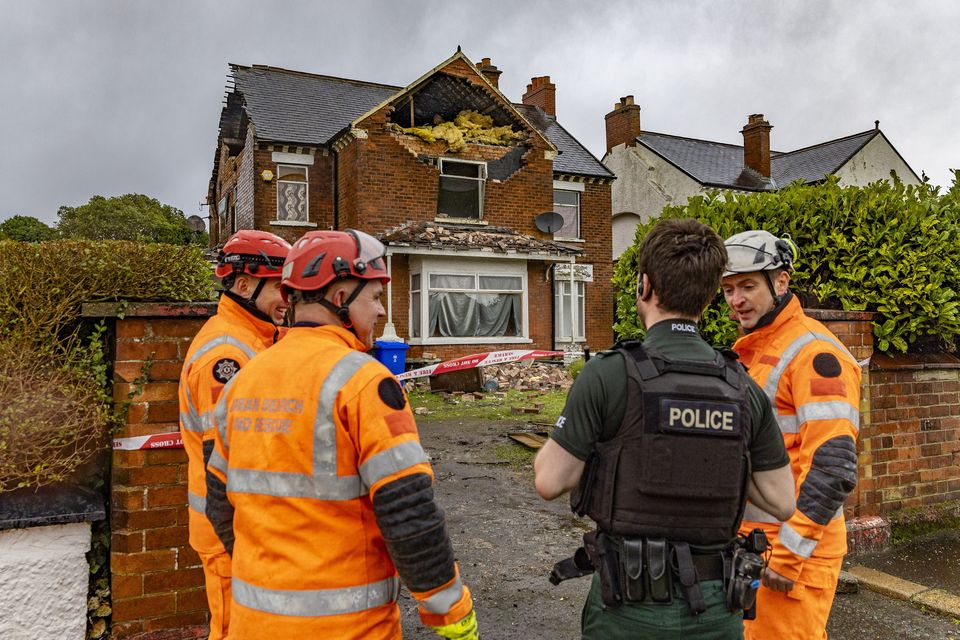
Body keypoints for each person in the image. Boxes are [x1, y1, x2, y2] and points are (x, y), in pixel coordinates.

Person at [204, 229, 479, 640]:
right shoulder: (364, 382)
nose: (382, 312)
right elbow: (408, 509)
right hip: (348, 628)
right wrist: (450, 611)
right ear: (339, 299)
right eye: (374, 297)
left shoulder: (242, 382)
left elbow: (219, 506)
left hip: (252, 623)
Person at [535, 218, 795, 639]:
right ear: (711, 296)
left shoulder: (607, 375)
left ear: (644, 286)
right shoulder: (742, 387)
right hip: (714, 612)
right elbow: (783, 501)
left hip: (626, 611)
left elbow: (550, 481)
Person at [721, 230, 861, 640]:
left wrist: (787, 556)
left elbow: (833, 466)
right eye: (728, 289)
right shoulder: (757, 348)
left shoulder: (815, 354)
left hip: (790, 556)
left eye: (747, 286)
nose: (736, 299)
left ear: (781, 281)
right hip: (755, 550)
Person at [177, 230, 291, 639]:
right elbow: (225, 457)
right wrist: (244, 539)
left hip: (244, 530)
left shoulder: (252, 341)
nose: (288, 299)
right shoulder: (226, 355)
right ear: (244, 285)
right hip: (231, 535)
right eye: (280, 287)